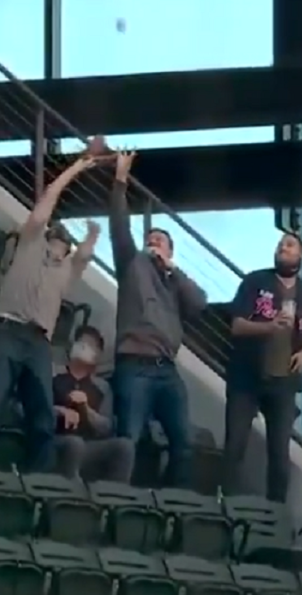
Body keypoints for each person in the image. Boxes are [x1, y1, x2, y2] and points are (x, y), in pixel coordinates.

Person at [0, 155, 101, 472]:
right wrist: (76, 168)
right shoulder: (29, 244)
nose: (59, 241)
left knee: (41, 410)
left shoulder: (68, 269)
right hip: (8, 329)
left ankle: (38, 478)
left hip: (38, 340)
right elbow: (46, 204)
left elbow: (85, 252)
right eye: (55, 236)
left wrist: (93, 233)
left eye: (63, 241)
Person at [107, 151, 207, 489]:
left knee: (183, 442)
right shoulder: (132, 266)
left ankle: (172, 503)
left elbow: (200, 304)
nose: (153, 244)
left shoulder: (174, 282)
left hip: (167, 369)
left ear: (170, 251)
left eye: (160, 241)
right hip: (134, 363)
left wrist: (172, 270)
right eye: (150, 239)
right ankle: (118, 499)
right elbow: (119, 227)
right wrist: (120, 180)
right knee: (128, 439)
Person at [222, 231, 302, 503]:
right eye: (280, 245)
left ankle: (277, 512)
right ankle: (225, 503)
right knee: (235, 444)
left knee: (279, 453)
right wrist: (269, 327)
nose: (282, 248)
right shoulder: (255, 281)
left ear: (300, 255)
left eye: (289, 245)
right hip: (247, 377)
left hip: (284, 381)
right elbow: (236, 326)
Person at [51, 325, 135, 483]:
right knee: (74, 444)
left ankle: (114, 500)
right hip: (56, 441)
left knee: (124, 447)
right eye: (80, 342)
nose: (83, 346)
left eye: (90, 345)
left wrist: (86, 409)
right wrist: (60, 411)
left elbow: (106, 428)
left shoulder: (102, 387)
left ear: (97, 355)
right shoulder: (54, 373)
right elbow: (30, 407)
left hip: (88, 446)